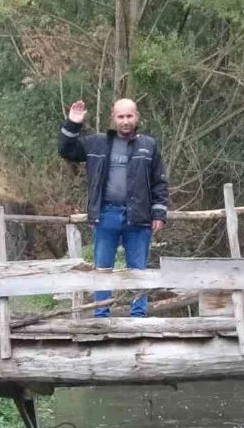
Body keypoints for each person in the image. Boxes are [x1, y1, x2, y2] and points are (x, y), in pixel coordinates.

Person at [58, 98, 169, 317]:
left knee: (138, 270)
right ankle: (101, 316)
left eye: (129, 116)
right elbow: (65, 150)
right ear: (113, 118)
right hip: (106, 214)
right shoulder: (96, 143)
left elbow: (160, 182)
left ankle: (138, 316)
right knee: (102, 269)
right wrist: (73, 123)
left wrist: (159, 212)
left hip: (138, 217)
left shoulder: (149, 145)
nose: (125, 121)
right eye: (121, 116)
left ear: (136, 117)